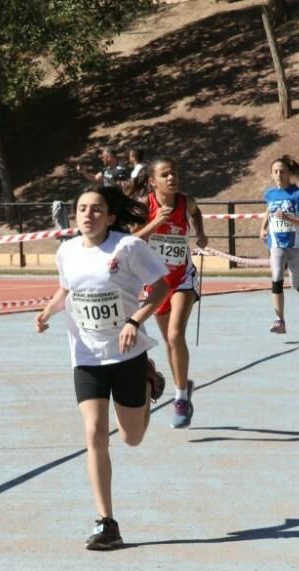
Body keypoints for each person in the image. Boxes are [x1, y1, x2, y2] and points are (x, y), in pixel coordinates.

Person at [34, 185, 170, 550]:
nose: (88, 215)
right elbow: (66, 290)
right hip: (87, 356)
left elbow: (160, 288)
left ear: (110, 217)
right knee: (94, 431)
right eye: (82, 209)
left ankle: (147, 381)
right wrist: (48, 312)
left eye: (96, 209)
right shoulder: (67, 251)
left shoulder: (127, 247)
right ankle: (106, 522)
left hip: (127, 355)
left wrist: (135, 322)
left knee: (132, 437)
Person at [131, 156, 208, 429]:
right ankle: (182, 381)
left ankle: (181, 398)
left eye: (174, 173)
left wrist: (200, 232)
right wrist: (155, 223)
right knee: (169, 342)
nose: (172, 178)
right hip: (156, 282)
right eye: (165, 175)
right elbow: (132, 240)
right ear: (153, 181)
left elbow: (196, 213)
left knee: (176, 335)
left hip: (182, 278)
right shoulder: (144, 206)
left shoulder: (185, 202)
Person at [259, 155, 299, 333]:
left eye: (282, 171)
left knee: (295, 281)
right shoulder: (270, 194)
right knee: (276, 279)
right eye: (275, 172)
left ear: (289, 173)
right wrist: (263, 227)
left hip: (295, 244)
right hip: (276, 243)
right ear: (271, 175)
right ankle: (279, 320)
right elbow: (269, 210)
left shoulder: (296, 194)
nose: (279, 174)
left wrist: (288, 217)